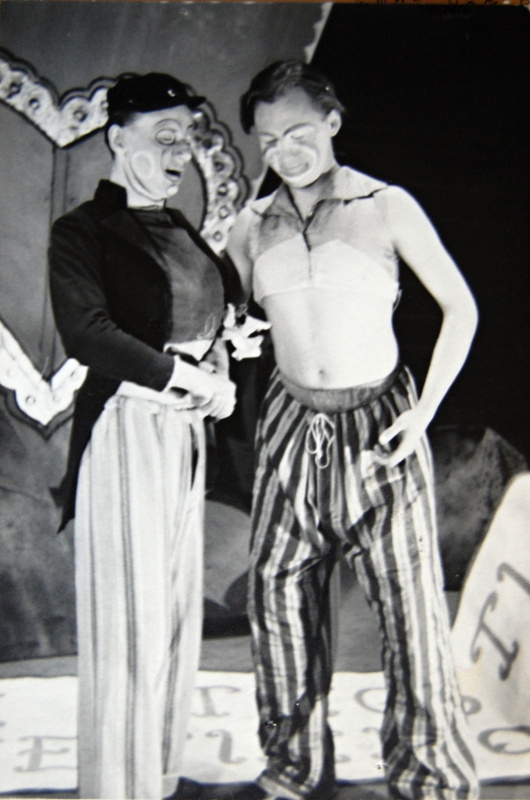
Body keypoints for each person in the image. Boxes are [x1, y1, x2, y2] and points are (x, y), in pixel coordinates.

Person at [226, 61, 479, 800]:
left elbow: (461, 309)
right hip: (289, 424)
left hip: (381, 424)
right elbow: (228, 323)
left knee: (411, 612)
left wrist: (423, 414)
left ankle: (429, 778)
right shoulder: (249, 226)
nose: (285, 151)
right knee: (278, 599)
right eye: (269, 140)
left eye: (299, 131)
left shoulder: (386, 205)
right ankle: (293, 767)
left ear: (333, 122)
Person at [48, 73, 238, 800]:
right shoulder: (83, 231)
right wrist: (192, 378)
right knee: (129, 623)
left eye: (187, 138)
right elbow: (89, 334)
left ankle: (153, 780)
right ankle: (114, 789)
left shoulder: (180, 229)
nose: (179, 152)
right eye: (164, 137)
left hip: (185, 437)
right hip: (126, 430)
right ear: (116, 138)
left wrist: (222, 361)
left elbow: (204, 322)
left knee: (175, 617)